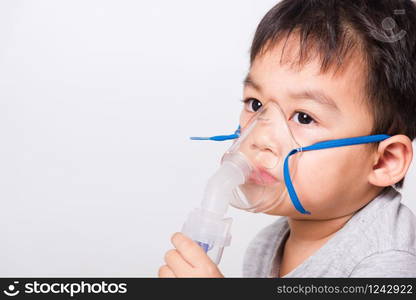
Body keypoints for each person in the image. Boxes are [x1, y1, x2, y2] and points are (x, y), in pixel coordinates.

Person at [158, 0, 416, 277]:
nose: (260, 138)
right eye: (255, 104)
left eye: (304, 117)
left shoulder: (387, 262)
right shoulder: (266, 246)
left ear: (384, 162)